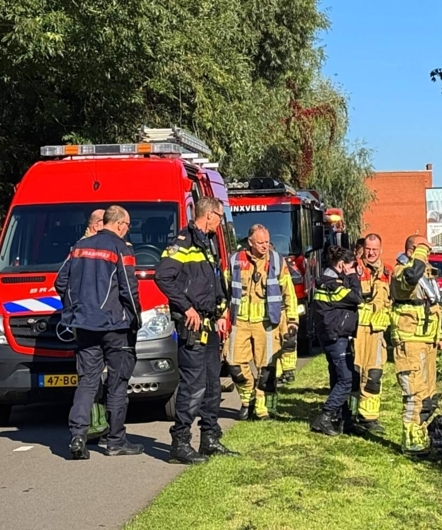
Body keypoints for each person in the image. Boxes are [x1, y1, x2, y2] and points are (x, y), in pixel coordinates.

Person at [55, 205, 142, 460]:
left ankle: (78, 436)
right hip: (115, 326)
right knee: (117, 384)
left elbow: (60, 282)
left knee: (87, 381)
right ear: (118, 224)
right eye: (127, 226)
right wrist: (135, 319)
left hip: (84, 325)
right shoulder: (120, 248)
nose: (128, 231)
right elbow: (128, 289)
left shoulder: (79, 247)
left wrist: (73, 309)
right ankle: (116, 441)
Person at [156, 197, 237, 464]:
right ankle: (180, 444)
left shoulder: (207, 241)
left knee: (213, 383)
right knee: (193, 386)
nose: (221, 222)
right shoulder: (184, 241)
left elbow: (213, 281)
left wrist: (223, 310)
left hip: (210, 323)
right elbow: (163, 276)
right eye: (220, 216)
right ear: (209, 215)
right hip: (192, 325)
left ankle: (210, 438)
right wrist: (186, 307)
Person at [227, 225, 298, 420]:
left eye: (267, 242)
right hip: (239, 322)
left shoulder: (276, 261)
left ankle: (262, 407)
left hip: (267, 323)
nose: (265, 246)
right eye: (260, 243)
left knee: (266, 369)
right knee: (234, 364)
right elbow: (225, 292)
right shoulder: (235, 261)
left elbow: (289, 293)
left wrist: (292, 320)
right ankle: (247, 398)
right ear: (250, 242)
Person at [390, 235, 442, 457]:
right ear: (412, 250)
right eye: (424, 250)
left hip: (428, 340)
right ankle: (411, 441)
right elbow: (411, 276)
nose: (428, 254)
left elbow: (432, 307)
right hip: (410, 340)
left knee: (429, 396)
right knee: (414, 394)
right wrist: (420, 255)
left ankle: (421, 435)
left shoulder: (426, 272)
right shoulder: (402, 271)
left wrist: (440, 336)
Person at [309, 246, 363, 436]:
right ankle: (325, 417)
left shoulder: (330, 280)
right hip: (335, 336)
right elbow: (357, 298)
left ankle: (344, 420)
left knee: (337, 378)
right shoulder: (332, 284)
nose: (354, 270)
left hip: (333, 335)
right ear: (342, 265)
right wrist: (353, 277)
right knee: (346, 380)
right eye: (351, 267)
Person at [352, 233, 392, 434]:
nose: (371, 253)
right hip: (356, 331)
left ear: (381, 250)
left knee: (374, 375)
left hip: (377, 334)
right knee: (354, 373)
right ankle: (350, 415)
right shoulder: (353, 269)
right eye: (368, 249)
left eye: (375, 250)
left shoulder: (388, 273)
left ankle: (370, 417)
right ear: (363, 248)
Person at [79, 208, 110, 443]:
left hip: (87, 319)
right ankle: (92, 426)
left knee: (94, 377)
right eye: (103, 221)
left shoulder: (84, 247)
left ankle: (97, 423)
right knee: (91, 378)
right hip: (96, 321)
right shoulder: (87, 248)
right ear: (95, 224)